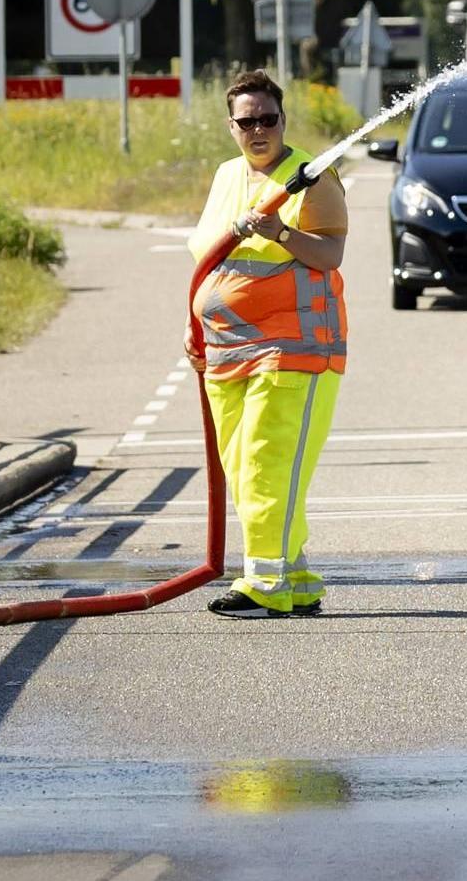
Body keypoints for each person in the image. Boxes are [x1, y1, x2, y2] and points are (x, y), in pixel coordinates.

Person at [186, 70, 349, 619]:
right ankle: (296, 574)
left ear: (284, 120)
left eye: (268, 119)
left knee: (266, 462)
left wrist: (279, 230)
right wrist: (197, 326)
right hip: (226, 351)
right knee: (248, 468)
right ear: (231, 126)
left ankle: (264, 584)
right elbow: (210, 261)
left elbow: (329, 256)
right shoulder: (226, 175)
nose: (258, 130)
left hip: (294, 347)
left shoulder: (311, 178)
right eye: (246, 121)